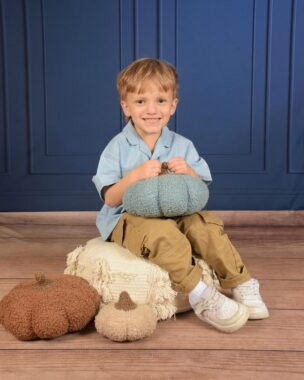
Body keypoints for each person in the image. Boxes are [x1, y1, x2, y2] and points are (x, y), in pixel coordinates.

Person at [92, 58, 269, 333]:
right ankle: (201, 294)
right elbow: (110, 199)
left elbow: (201, 190)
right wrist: (134, 176)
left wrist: (188, 171)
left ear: (173, 105)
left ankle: (239, 281)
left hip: (179, 212)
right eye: (140, 102)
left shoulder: (182, 145)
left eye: (161, 101)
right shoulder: (116, 148)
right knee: (164, 235)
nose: (152, 110)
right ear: (125, 107)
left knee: (205, 225)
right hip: (128, 217)